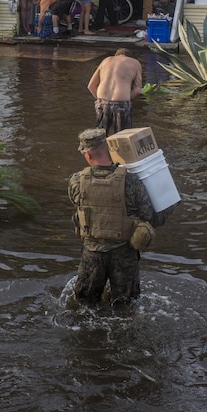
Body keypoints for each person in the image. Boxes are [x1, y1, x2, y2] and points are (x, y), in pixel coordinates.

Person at [68, 129, 178, 305]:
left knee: (84, 306)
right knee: (126, 307)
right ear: (109, 150)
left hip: (92, 255)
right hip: (124, 255)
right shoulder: (131, 181)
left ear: (88, 154)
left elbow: (80, 208)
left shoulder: (76, 181)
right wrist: (169, 207)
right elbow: (148, 216)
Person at [87, 48, 143, 135]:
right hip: (121, 103)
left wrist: (100, 100)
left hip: (102, 102)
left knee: (100, 137)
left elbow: (91, 86)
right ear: (130, 56)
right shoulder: (135, 63)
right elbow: (137, 89)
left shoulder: (106, 60)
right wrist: (126, 98)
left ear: (116, 55)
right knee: (122, 137)